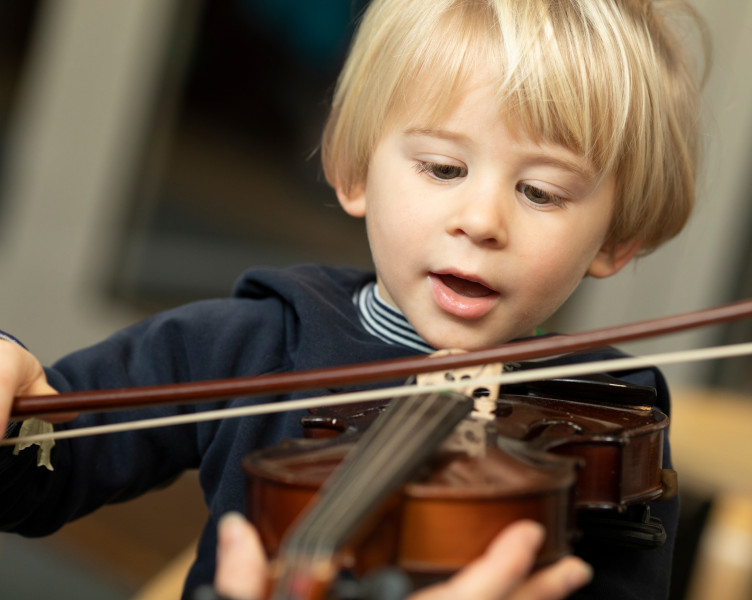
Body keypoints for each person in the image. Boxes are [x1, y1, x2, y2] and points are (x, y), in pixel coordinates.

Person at [0, 0, 706, 598]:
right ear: (354, 168)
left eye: (541, 192)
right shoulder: (252, 344)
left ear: (618, 239)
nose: (482, 220)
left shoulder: (608, 427)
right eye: (443, 167)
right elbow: (42, 474)